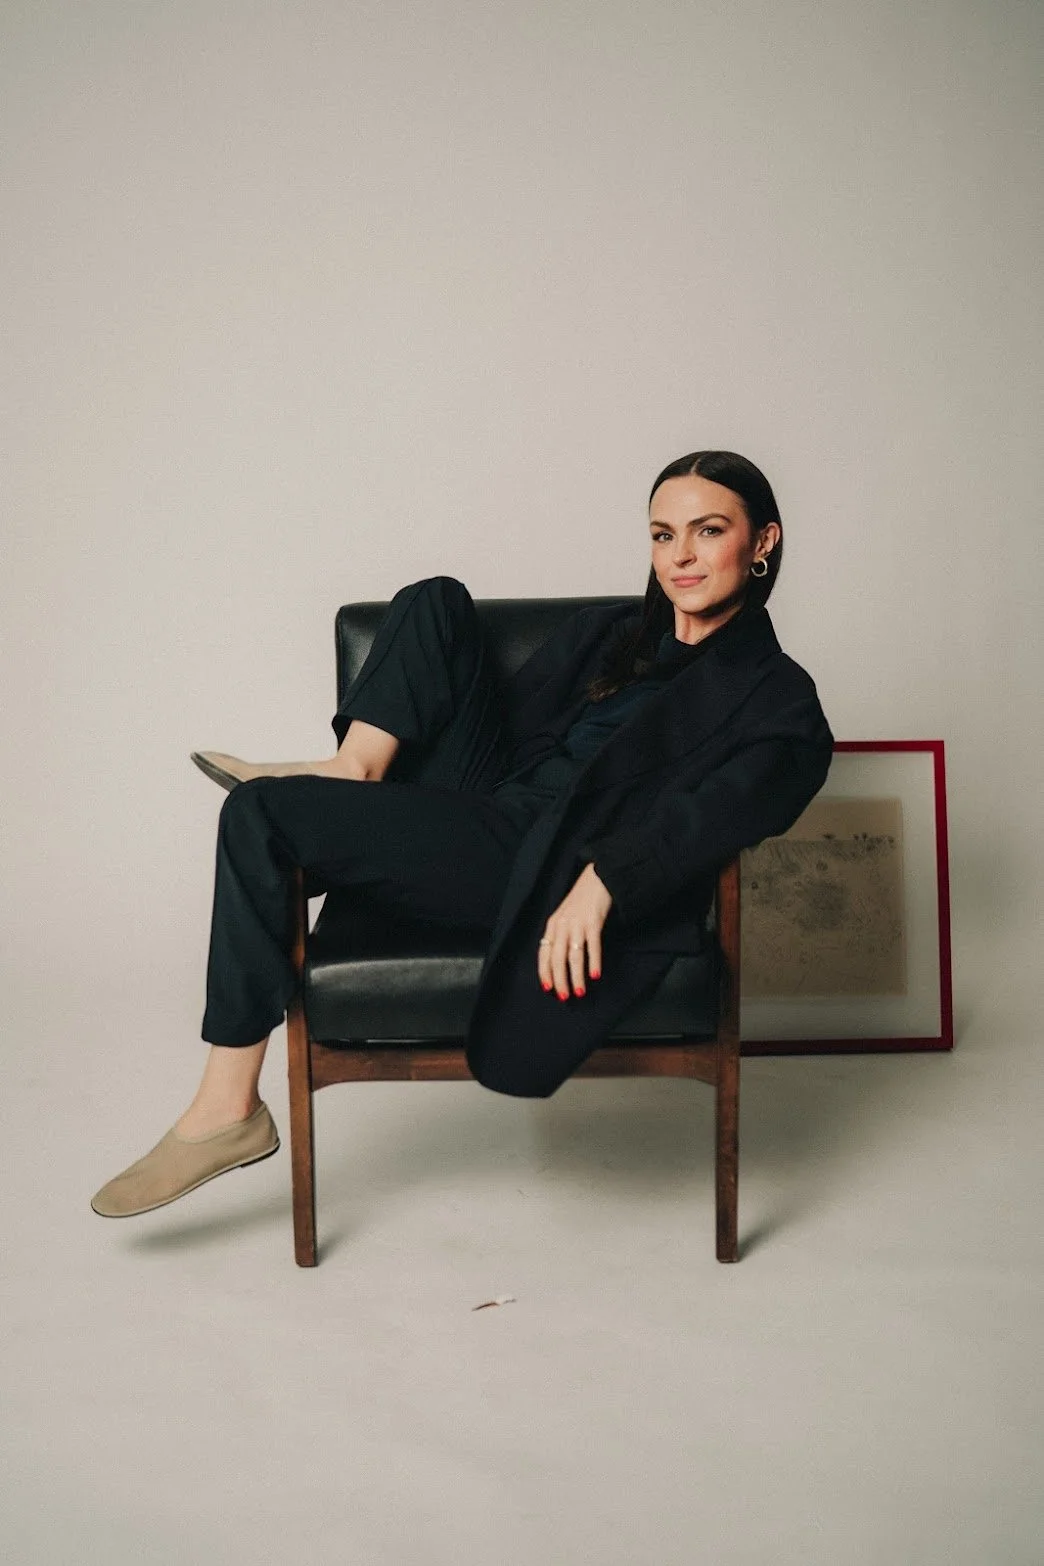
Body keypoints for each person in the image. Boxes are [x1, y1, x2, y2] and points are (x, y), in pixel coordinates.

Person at [91, 449, 834, 1219]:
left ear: (762, 542)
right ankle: (353, 771)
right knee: (435, 599)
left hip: (542, 854)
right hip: (494, 800)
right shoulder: (615, 633)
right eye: (662, 534)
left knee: (259, 813)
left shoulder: (777, 699)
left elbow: (725, 811)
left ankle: (228, 1108)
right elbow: (511, 729)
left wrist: (608, 876)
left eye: (708, 531)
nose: (680, 556)